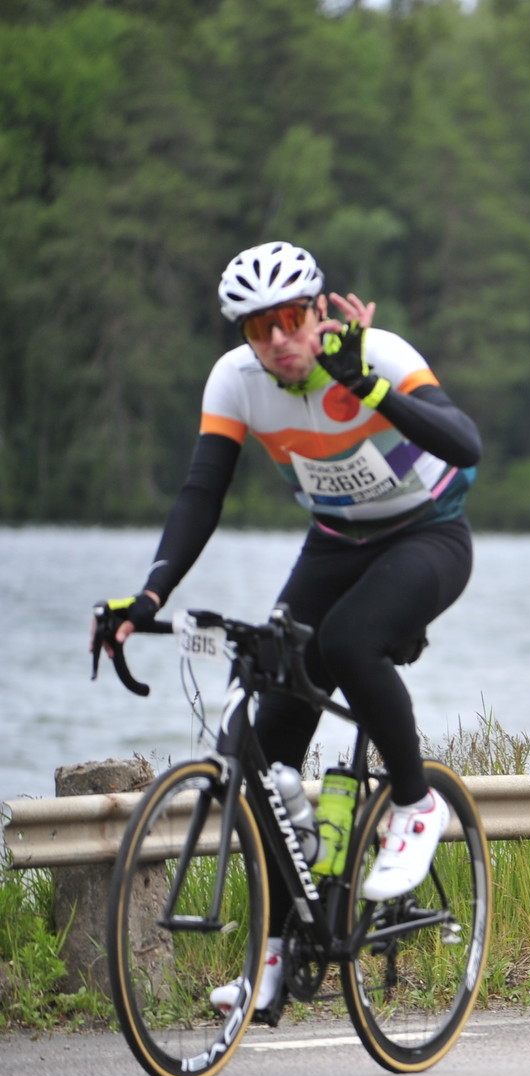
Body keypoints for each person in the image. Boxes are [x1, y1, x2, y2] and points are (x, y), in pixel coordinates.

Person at [101, 241, 482, 1019]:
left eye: (289, 319)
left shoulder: (377, 355)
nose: (277, 339)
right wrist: (148, 595)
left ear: (317, 311)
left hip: (428, 537)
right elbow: (201, 494)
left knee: (347, 642)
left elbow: (465, 444)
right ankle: (273, 960)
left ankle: (415, 804)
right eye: (257, 328)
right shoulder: (235, 383)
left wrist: (365, 383)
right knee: (261, 735)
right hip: (335, 544)